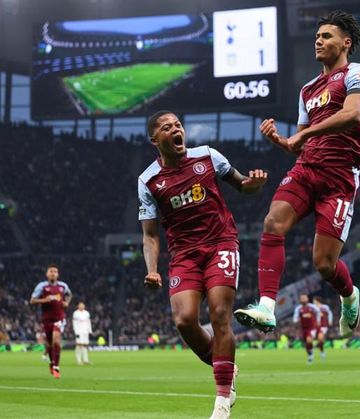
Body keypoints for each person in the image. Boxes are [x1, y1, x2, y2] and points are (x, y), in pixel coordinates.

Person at [235, 10, 360, 339]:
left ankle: (349, 295)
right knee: (272, 223)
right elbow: (298, 144)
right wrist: (281, 141)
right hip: (307, 169)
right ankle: (266, 307)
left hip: (340, 176)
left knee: (324, 264)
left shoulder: (357, 72)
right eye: (317, 36)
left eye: (326, 36)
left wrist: (305, 135)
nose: (318, 41)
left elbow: (353, 114)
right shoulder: (308, 90)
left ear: (346, 43)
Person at [138, 110, 267, 418]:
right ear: (155, 139)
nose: (176, 129)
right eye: (167, 127)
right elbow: (150, 235)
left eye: (178, 125)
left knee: (220, 314)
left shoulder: (208, 156)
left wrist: (255, 184)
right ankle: (226, 367)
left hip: (221, 243)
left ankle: (221, 401)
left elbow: (242, 184)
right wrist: (152, 269)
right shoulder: (148, 180)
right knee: (184, 320)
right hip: (184, 255)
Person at [30, 264, 72, 378]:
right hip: (47, 319)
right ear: (47, 274)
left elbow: (69, 294)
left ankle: (56, 367)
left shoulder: (63, 286)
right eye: (51, 271)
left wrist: (67, 302)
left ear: (58, 274)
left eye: (55, 271)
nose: (53, 273)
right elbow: (32, 301)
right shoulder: (42, 286)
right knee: (49, 344)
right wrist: (44, 300)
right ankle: (52, 363)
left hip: (59, 318)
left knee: (56, 341)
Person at [293, 294, 321, 365]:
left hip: (312, 327)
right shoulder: (298, 308)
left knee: (309, 340)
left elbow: (318, 312)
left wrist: (318, 320)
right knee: (306, 344)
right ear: (300, 300)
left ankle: (311, 351)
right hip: (303, 328)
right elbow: (295, 318)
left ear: (307, 299)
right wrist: (297, 319)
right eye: (302, 298)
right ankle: (310, 354)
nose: (303, 299)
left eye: (304, 298)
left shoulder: (312, 307)